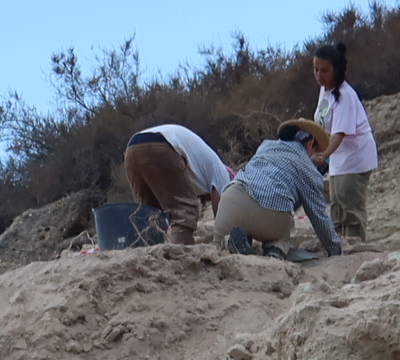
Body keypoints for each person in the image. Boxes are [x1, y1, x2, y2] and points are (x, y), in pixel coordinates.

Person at [212, 121, 344, 260]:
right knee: (284, 219)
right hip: (270, 214)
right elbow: (319, 217)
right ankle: (275, 249)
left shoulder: (265, 146)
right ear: (310, 144)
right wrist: (335, 249)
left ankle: (228, 242)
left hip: (230, 200)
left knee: (219, 250)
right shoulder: (307, 167)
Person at [121, 120, 231, 246]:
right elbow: (222, 205)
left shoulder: (200, 169)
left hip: (132, 150)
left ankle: (149, 253)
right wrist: (222, 236)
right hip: (162, 145)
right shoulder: (223, 172)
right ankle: (181, 251)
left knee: (149, 215)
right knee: (184, 211)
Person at [311, 40, 378, 246]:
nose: (319, 75)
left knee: (350, 206)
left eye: (324, 70)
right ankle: (339, 246)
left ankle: (356, 246)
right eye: (316, 69)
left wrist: (324, 154)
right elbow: (323, 125)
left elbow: (339, 133)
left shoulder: (345, 96)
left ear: (336, 70)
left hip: (355, 156)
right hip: (338, 157)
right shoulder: (324, 91)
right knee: (337, 206)